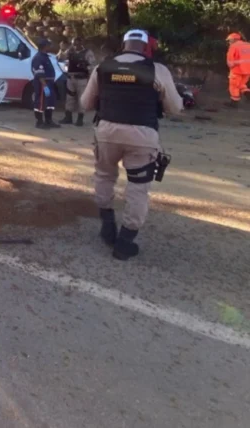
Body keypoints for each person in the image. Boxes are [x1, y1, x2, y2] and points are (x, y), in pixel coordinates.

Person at [80, 29, 182, 260]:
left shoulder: (103, 67)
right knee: (138, 187)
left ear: (124, 45)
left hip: (106, 132)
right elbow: (175, 107)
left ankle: (107, 227)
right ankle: (125, 242)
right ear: (145, 47)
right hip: (142, 135)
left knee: (104, 176)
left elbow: (85, 103)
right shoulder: (158, 70)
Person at [58, 37, 96, 126]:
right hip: (71, 78)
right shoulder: (70, 51)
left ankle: (80, 119)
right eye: (74, 44)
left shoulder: (87, 53)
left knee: (81, 99)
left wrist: (85, 67)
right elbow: (60, 58)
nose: (75, 46)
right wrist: (61, 49)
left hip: (82, 79)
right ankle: (68, 117)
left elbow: (93, 66)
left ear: (81, 43)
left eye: (77, 44)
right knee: (69, 98)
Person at [31, 38, 60, 129]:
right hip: (43, 84)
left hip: (49, 83)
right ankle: (39, 122)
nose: (49, 47)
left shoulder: (45, 56)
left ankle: (48, 120)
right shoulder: (38, 57)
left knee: (50, 101)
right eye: (48, 45)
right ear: (44, 47)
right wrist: (45, 86)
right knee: (41, 102)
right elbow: (40, 74)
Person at [224, 32, 250, 108]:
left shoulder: (233, 47)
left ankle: (234, 103)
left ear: (233, 40)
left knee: (234, 86)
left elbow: (230, 63)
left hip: (237, 71)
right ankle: (248, 95)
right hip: (248, 70)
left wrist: (234, 64)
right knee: (241, 84)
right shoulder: (248, 45)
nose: (229, 42)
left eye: (229, 41)